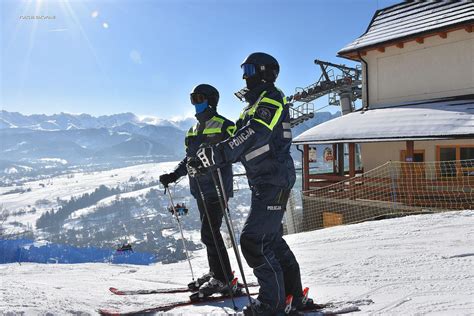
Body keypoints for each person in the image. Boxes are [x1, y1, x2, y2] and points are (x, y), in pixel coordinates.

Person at [192, 53, 314, 315]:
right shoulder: (252, 105)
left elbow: (255, 132)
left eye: (249, 69)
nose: (244, 75)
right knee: (271, 240)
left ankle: (272, 305)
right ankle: (293, 297)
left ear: (264, 71)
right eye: (243, 69)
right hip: (265, 179)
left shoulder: (271, 98)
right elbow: (236, 140)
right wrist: (209, 158)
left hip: (274, 178)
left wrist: (220, 153)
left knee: (253, 241)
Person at [159, 84, 237, 297]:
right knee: (208, 233)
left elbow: (231, 154)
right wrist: (174, 175)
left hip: (217, 187)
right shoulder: (193, 130)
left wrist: (207, 165)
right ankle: (217, 272)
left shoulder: (225, 126)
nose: (195, 102)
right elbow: (189, 159)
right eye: (192, 98)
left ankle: (223, 279)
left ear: (211, 100)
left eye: (199, 97)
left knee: (209, 232)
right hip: (199, 188)